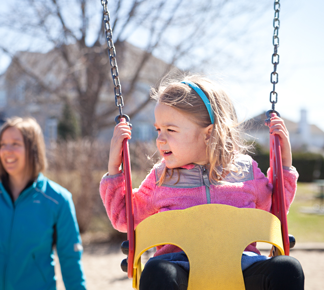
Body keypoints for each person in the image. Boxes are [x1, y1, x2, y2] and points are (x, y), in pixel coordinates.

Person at [100, 75, 305, 290]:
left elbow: (274, 212)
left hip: (243, 269)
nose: (160, 139)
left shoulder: (245, 171)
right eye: (158, 129)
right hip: (180, 271)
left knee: (287, 268)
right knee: (157, 272)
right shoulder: (161, 177)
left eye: (170, 130)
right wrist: (115, 169)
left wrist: (285, 164)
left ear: (208, 133)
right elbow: (125, 219)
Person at [0, 117, 87, 290]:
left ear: (33, 149)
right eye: (3, 144)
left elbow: (70, 264)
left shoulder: (58, 200)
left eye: (15, 144)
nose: (7, 151)